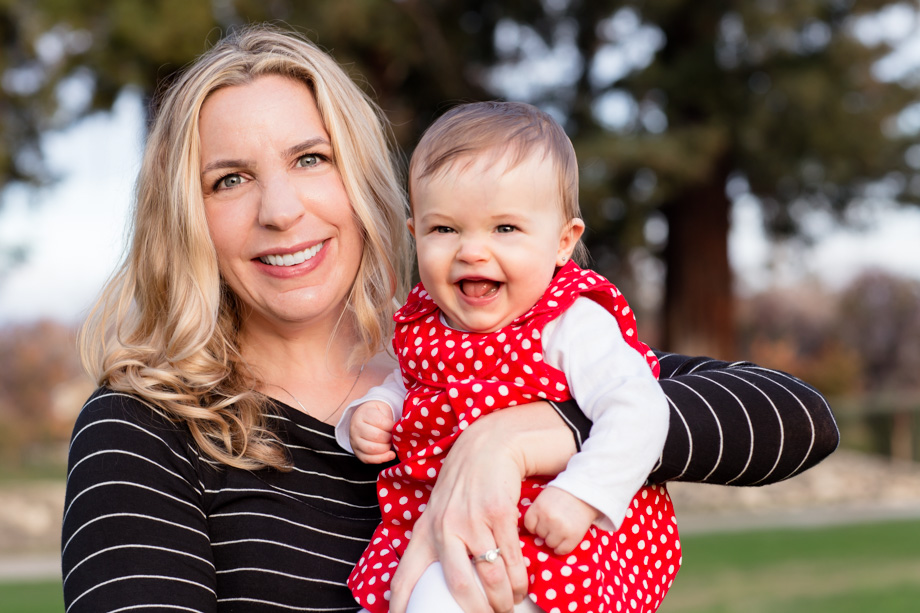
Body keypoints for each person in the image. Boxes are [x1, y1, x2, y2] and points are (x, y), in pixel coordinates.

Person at [60, 24, 839, 613]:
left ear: (364, 180)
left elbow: (798, 420)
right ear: (184, 218)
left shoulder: (492, 350)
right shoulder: (143, 429)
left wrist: (517, 435)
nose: (281, 210)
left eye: (310, 160)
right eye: (229, 180)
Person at [338, 101, 677, 613]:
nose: (472, 251)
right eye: (445, 230)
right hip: (438, 524)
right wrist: (376, 410)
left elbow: (641, 410)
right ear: (415, 236)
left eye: (505, 229)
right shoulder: (423, 323)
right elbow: (410, 383)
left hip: (550, 537)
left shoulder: (571, 323)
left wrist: (583, 494)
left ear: (564, 241)